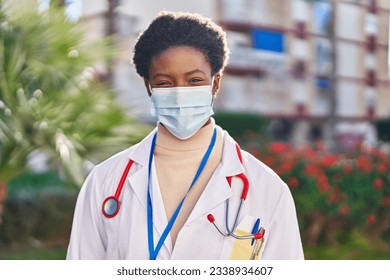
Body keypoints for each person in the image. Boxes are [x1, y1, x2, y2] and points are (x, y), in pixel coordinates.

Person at [66, 11, 304, 260]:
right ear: (149, 87)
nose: (180, 94)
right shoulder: (105, 182)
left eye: (194, 80)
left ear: (215, 83)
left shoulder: (268, 189)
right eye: (165, 83)